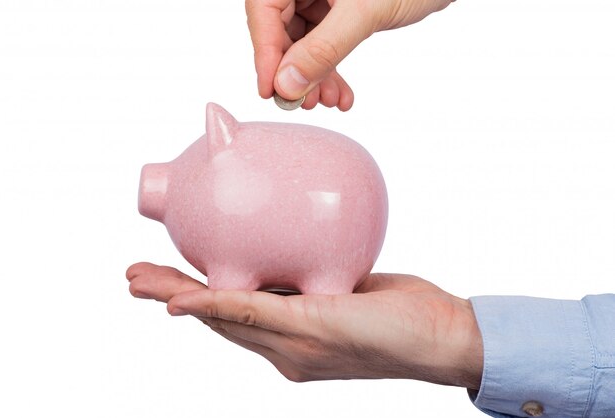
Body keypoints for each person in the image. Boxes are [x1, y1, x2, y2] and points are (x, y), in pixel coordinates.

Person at [127, 1, 615, 417]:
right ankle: (327, 277)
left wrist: (462, 342)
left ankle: (325, 277)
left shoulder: (208, 173)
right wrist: (463, 343)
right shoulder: (206, 170)